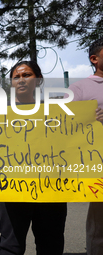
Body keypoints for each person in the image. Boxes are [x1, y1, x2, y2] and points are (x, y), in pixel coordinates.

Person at [0, 61, 67, 255]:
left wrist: (92, 121)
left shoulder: (58, 112)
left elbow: (72, 143)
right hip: (13, 191)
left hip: (51, 190)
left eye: (27, 75)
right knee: (11, 245)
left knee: (51, 243)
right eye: (16, 76)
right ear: (11, 83)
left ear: (38, 80)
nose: (21, 79)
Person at [67, 37, 103, 255]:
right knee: (100, 226)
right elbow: (61, 126)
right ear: (94, 59)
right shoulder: (79, 89)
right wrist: (88, 120)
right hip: (98, 165)